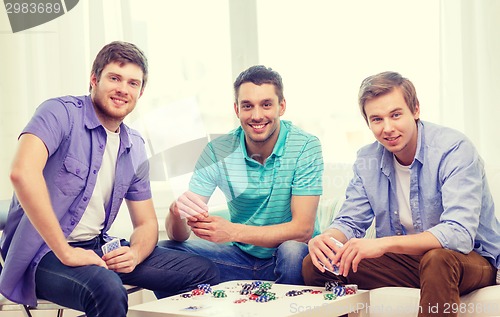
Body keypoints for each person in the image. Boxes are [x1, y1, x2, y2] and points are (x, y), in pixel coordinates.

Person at [0, 41, 219, 317]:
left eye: (133, 83)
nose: (123, 89)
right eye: (114, 78)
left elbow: (146, 222)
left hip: (95, 247)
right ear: (94, 78)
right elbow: (22, 172)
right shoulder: (59, 113)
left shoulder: (134, 145)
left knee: (201, 271)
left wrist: (135, 254)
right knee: (108, 288)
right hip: (42, 253)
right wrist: (67, 253)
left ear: (141, 91)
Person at [302, 71, 499, 317]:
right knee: (316, 266)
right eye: (376, 119)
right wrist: (328, 239)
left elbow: (458, 233)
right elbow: (350, 221)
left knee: (437, 260)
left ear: (415, 110)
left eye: (395, 115)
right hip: (408, 263)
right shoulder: (368, 159)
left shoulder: (453, 149)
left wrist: (382, 245)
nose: (387, 128)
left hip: (468, 260)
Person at [159, 65, 324, 285]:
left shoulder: (305, 146)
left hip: (286, 259)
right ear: (237, 110)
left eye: (266, 105)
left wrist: (232, 232)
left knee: (292, 251)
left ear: (281, 107)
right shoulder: (218, 150)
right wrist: (175, 214)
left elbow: (302, 230)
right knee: (162, 253)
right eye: (247, 106)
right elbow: (180, 235)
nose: (257, 116)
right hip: (239, 260)